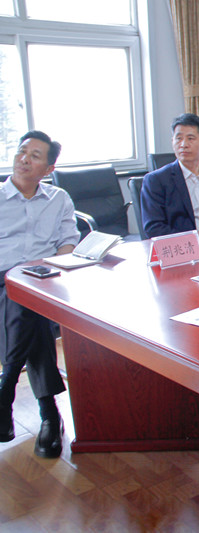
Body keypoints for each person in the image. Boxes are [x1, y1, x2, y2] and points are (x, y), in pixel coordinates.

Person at [1, 131, 80, 458]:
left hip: (42, 277)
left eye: (35, 156)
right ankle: (48, 412)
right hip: (2, 278)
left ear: (48, 169)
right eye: (22, 151)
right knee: (27, 310)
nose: (24, 159)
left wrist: (54, 267)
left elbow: (69, 240)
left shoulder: (58, 198)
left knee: (27, 304)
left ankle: (6, 392)